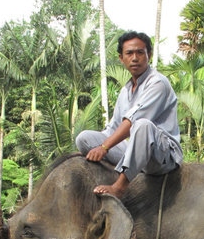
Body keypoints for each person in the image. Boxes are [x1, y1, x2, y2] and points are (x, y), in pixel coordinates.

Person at [76, 31, 183, 197]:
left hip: (162, 155)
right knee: (84, 138)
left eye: (140, 52)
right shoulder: (125, 91)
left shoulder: (158, 83)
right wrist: (96, 146)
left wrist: (104, 148)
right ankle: (128, 167)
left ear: (149, 55)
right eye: (129, 53)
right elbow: (113, 129)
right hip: (136, 149)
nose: (135, 58)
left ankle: (120, 186)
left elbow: (132, 122)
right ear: (121, 58)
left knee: (142, 124)